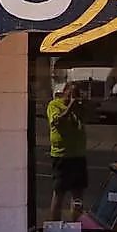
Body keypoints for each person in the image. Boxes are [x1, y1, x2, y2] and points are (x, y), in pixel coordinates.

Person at [46, 81, 88, 218]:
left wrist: (82, 108)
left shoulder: (78, 109)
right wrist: (70, 106)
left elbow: (90, 118)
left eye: (77, 94)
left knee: (78, 194)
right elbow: (58, 121)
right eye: (72, 93)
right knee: (59, 192)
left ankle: (76, 225)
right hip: (62, 155)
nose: (74, 97)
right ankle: (55, 227)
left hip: (78, 154)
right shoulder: (54, 105)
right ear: (65, 92)